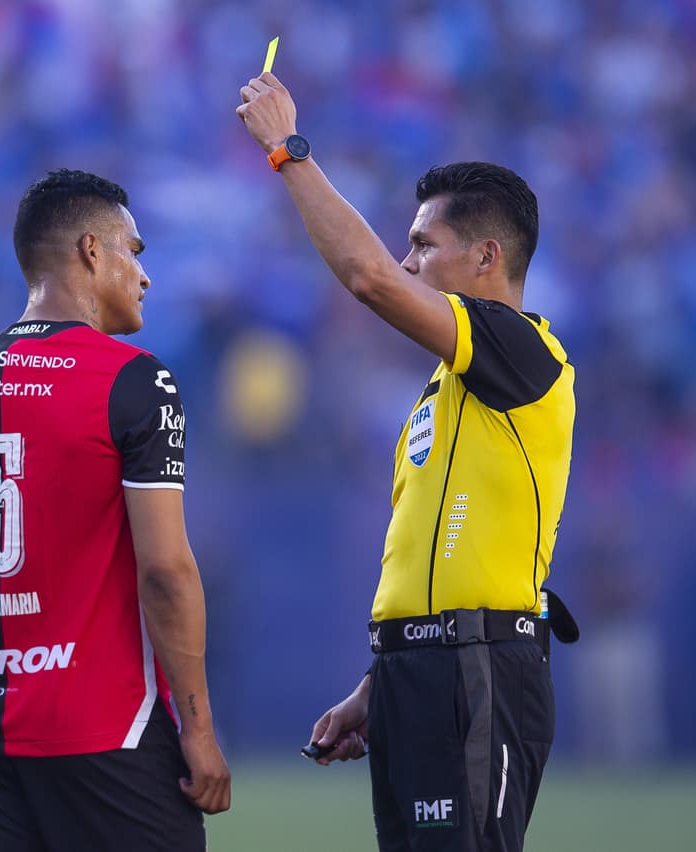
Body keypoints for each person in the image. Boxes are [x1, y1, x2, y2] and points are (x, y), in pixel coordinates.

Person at [237, 75, 577, 851]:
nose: (406, 260)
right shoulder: (440, 394)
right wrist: (379, 681)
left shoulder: (523, 347)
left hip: (479, 670)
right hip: (418, 674)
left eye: (424, 244)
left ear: (487, 256)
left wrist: (287, 151)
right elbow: (437, 558)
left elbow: (370, 280)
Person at [0, 169, 230, 852]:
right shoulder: (137, 378)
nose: (144, 275)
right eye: (134, 251)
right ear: (92, 250)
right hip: (108, 731)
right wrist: (199, 728)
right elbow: (166, 572)